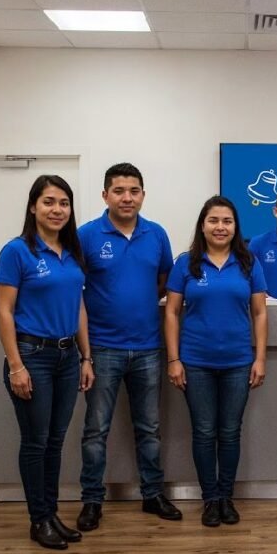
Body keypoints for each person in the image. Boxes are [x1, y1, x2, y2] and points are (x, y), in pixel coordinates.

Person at [75, 163, 181, 532]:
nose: (127, 198)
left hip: (148, 348)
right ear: (105, 195)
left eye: (134, 191)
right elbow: (74, 289)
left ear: (143, 195)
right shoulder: (87, 235)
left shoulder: (156, 234)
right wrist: (86, 353)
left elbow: (163, 282)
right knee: (95, 430)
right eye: (119, 191)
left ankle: (152, 494)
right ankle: (92, 500)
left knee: (149, 428)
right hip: (102, 348)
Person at [0, 175, 94, 551]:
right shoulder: (17, 251)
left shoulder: (71, 252)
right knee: (36, 442)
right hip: (32, 356)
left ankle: (51, 515)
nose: (57, 209)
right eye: (49, 202)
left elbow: (78, 306)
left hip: (67, 358)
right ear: (33, 206)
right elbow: (4, 312)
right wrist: (16, 365)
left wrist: (86, 357)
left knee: (55, 441)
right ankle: (39, 520)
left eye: (64, 203)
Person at [164, 196, 268, 528]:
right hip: (196, 362)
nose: (220, 227)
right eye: (213, 220)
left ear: (235, 227)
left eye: (227, 221)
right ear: (202, 225)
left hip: (238, 362)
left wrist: (260, 357)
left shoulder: (248, 262)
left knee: (231, 432)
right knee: (204, 431)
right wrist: (174, 359)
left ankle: (226, 497)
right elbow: (171, 312)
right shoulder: (186, 263)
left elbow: (260, 313)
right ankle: (210, 498)